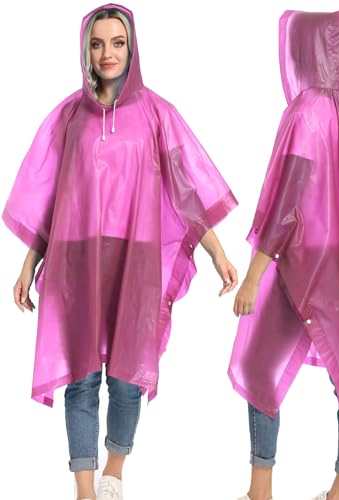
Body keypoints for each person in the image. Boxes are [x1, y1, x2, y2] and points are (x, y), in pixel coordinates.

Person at [2, 3, 238, 500]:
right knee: (82, 378)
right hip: (77, 262)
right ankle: (84, 490)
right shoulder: (70, 116)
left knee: (128, 380)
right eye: (97, 43)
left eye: (117, 43)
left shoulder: (156, 113)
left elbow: (186, 190)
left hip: (136, 262)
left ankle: (113, 469)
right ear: (85, 49)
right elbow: (50, 200)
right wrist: (28, 264)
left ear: (132, 49)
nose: (107, 53)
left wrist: (217, 253)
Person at [228, 9, 339, 500]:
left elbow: (288, 199)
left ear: (302, 52)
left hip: (303, 262)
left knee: (257, 365)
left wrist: (253, 275)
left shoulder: (305, 112)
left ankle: (260, 488)